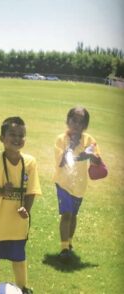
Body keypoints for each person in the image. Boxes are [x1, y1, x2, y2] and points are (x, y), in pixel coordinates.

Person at [0, 117, 42, 294]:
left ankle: (23, 287)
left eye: (21, 135)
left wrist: (26, 209)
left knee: (18, 255)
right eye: (12, 134)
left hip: (17, 222)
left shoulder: (30, 162)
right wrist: (1, 190)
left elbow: (32, 190)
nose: (17, 138)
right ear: (2, 138)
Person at [53, 106, 101, 262]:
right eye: (73, 120)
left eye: (81, 122)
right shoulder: (61, 139)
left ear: (85, 125)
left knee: (74, 215)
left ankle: (70, 241)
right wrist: (71, 146)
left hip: (80, 184)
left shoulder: (89, 140)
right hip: (63, 183)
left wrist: (92, 156)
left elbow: (97, 160)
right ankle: (64, 248)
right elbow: (60, 163)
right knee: (66, 214)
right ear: (67, 121)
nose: (76, 124)